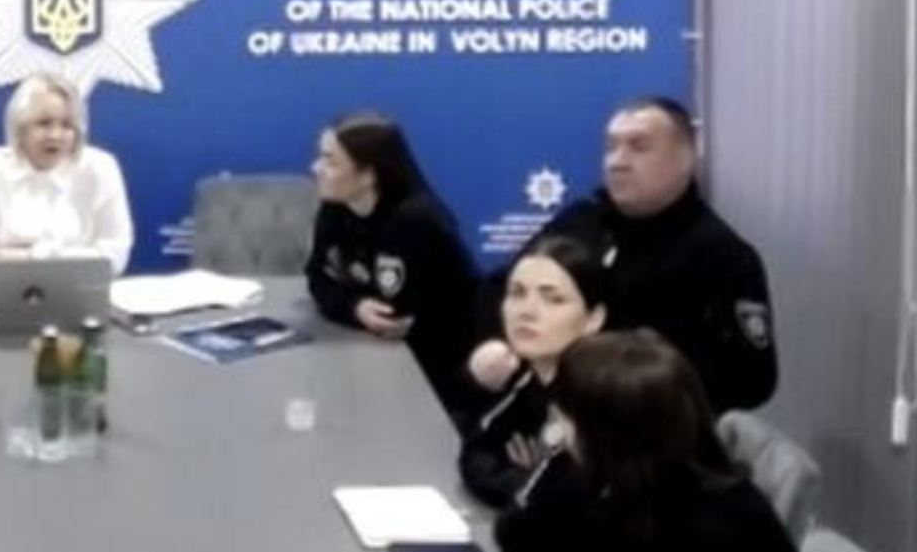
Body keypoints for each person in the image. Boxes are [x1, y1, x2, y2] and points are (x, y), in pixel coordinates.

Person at [456, 331, 830, 552]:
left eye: (567, 418)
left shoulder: (718, 540)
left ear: (609, 440)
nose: (560, 433)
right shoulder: (640, 487)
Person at [468, 97, 778, 412]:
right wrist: (493, 342)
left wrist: (634, 386)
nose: (618, 161)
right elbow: (500, 286)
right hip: (540, 419)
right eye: (611, 147)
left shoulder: (722, 256)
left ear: (686, 159)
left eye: (638, 147)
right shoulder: (579, 221)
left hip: (644, 430)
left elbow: (752, 379)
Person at [304, 111, 480, 416]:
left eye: (330, 161)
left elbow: (395, 318)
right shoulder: (334, 208)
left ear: (368, 175)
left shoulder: (414, 221)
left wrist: (349, 303)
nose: (315, 167)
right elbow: (316, 274)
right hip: (374, 352)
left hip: (440, 370)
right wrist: (354, 306)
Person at [459, 236, 608, 510]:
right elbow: (476, 453)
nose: (527, 311)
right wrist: (527, 481)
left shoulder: (605, 396)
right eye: (517, 293)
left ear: (593, 318)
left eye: (553, 299)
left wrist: (533, 482)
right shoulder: (529, 377)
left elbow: (573, 506)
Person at [0, 73, 133, 272]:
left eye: (67, 125)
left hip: (82, 290)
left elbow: (114, 257)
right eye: (44, 123)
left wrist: (30, 256)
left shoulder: (101, 168)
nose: (55, 135)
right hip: (2, 290)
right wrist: (72, 256)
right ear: (20, 128)